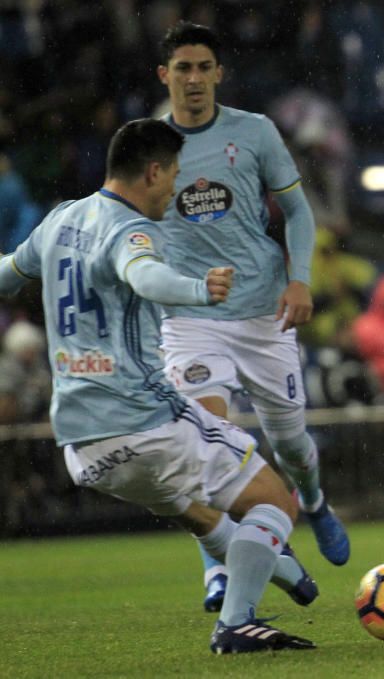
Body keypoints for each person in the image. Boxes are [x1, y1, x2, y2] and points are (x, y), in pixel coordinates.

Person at [0, 119, 318, 653]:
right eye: (172, 175)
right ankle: (238, 622)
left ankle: (279, 571)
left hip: (82, 444)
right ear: (152, 171)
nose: (175, 189)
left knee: (191, 508)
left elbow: (7, 275)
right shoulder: (130, 230)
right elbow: (144, 273)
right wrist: (198, 288)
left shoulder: (58, 222)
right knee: (275, 503)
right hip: (143, 418)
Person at [153, 21, 349, 612]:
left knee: (290, 446)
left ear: (219, 74)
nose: (192, 78)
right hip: (190, 319)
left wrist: (300, 278)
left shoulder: (254, 132)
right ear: (164, 76)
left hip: (264, 313)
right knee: (209, 447)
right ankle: (218, 568)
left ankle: (312, 501)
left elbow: (298, 212)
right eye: (181, 68)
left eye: (202, 67)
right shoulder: (145, 144)